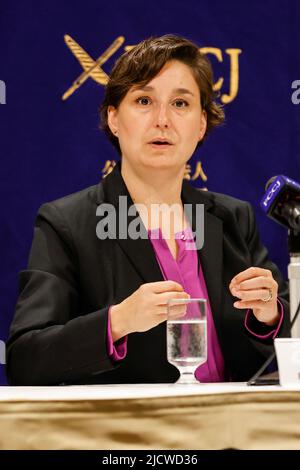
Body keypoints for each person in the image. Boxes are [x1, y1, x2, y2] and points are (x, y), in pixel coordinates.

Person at [6, 34, 289, 385]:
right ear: (113, 118)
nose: (163, 120)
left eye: (181, 104)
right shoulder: (67, 223)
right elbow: (25, 358)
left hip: (233, 428)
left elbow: (284, 337)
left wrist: (268, 315)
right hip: (132, 433)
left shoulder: (232, 218)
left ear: (201, 124)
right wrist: (118, 321)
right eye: (143, 100)